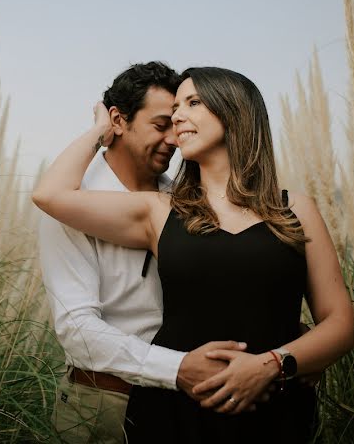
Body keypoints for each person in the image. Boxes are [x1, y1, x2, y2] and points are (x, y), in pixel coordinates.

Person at [33, 67, 354, 442]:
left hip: (274, 410)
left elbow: (338, 323)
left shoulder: (296, 210)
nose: (176, 121)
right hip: (169, 407)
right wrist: (99, 132)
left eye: (192, 103)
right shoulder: (160, 210)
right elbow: (49, 196)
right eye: (170, 112)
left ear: (233, 110)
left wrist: (280, 359)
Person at [39, 62, 249, 444]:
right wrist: (177, 368)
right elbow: (77, 331)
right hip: (102, 404)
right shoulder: (71, 201)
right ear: (117, 120)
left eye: (177, 123)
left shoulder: (188, 201)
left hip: (190, 404)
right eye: (160, 125)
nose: (174, 137)